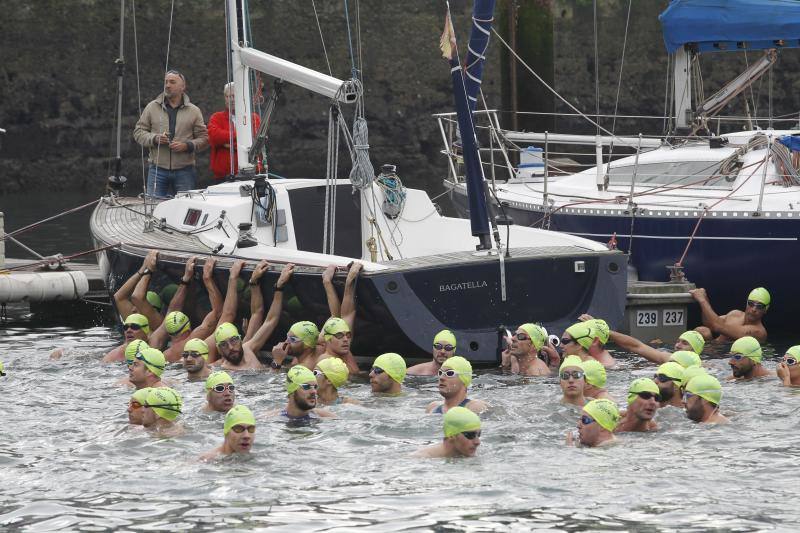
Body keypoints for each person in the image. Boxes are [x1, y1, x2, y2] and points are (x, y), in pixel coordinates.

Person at [133, 69, 208, 198]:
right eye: (166, 82)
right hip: (157, 170)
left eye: (172, 82)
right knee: (154, 209)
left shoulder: (194, 111)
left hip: (185, 171)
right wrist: (155, 138)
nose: (167, 85)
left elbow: (204, 138)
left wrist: (187, 146)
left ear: (182, 87)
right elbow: (138, 132)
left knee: (185, 209)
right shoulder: (152, 107)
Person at [143, 257, 222, 363]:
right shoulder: (191, 342)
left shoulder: (162, 351)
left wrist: (185, 279)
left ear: (169, 332)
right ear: (187, 331)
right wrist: (207, 278)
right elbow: (217, 313)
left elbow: (172, 310)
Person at [207, 82, 262, 180]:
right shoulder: (216, 117)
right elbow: (214, 137)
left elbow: (254, 142)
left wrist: (226, 144)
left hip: (250, 171)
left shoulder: (253, 118)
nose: (231, 99)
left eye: (233, 96)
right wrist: (240, 138)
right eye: (227, 96)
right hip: (223, 175)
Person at [690, 287, 769, 343]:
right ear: (747, 303)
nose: (754, 309)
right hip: (713, 351)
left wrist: (702, 300)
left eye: (759, 306)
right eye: (751, 304)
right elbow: (709, 323)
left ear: (765, 310)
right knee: (702, 331)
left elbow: (716, 326)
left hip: (731, 360)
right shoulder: (735, 314)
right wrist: (705, 297)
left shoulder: (759, 333)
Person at [607, 329, 705, 366]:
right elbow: (636, 346)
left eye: (685, 343)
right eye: (678, 341)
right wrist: (605, 331)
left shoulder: (702, 368)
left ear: (694, 350)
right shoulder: (670, 358)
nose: (677, 345)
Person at [413, 406, 482, 458]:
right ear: (451, 436)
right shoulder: (422, 458)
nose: (477, 442)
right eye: (470, 435)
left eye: (478, 434)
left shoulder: (469, 455)